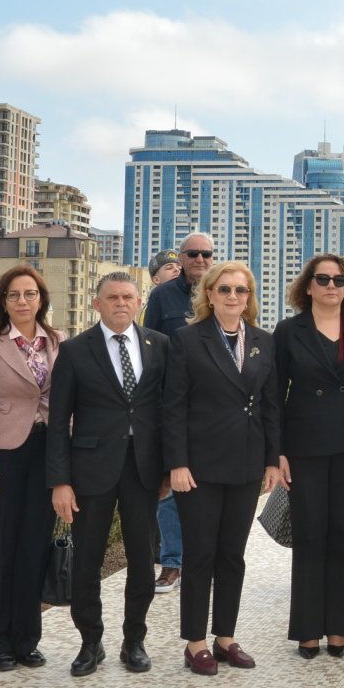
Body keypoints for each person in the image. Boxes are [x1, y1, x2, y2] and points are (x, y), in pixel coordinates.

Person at [162, 260, 283, 675]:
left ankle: (225, 636)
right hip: (199, 467)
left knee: (232, 555)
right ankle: (196, 642)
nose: (234, 297)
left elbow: (271, 406)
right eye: (225, 289)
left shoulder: (263, 343)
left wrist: (271, 459)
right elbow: (173, 406)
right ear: (209, 295)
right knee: (200, 555)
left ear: (249, 298)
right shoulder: (187, 340)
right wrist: (176, 462)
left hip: (247, 465)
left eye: (241, 290)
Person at [47, 272, 168, 676]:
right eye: (112, 297)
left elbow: (168, 413)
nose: (121, 303)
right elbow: (59, 419)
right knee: (87, 563)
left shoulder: (159, 346)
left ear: (139, 303)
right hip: (89, 472)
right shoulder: (76, 350)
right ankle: (90, 642)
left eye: (128, 297)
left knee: (141, 560)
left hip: (143, 470)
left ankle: (134, 641)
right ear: (97, 304)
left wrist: (167, 469)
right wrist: (60, 482)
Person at [273, 254, 344, 659]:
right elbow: (273, 394)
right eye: (323, 279)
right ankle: (307, 629)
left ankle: (338, 627)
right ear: (309, 286)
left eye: (340, 280)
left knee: (341, 535)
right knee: (309, 535)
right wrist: (278, 451)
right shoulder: (288, 331)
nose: (332, 286)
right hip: (306, 446)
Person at [0, 265, 63, 672]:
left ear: (41, 298)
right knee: (1, 550)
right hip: (4, 457)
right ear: (3, 302)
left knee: (33, 550)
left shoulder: (56, 342)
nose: (22, 302)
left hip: (45, 454)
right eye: (13, 295)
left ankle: (27, 640)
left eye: (30, 294)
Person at [144, 231, 217, 595]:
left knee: (212, 488)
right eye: (193, 254)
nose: (200, 260)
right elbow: (148, 347)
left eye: (206, 254)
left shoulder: (223, 292)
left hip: (213, 409)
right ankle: (172, 564)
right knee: (172, 487)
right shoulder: (161, 296)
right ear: (184, 258)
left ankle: (206, 561)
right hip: (171, 405)